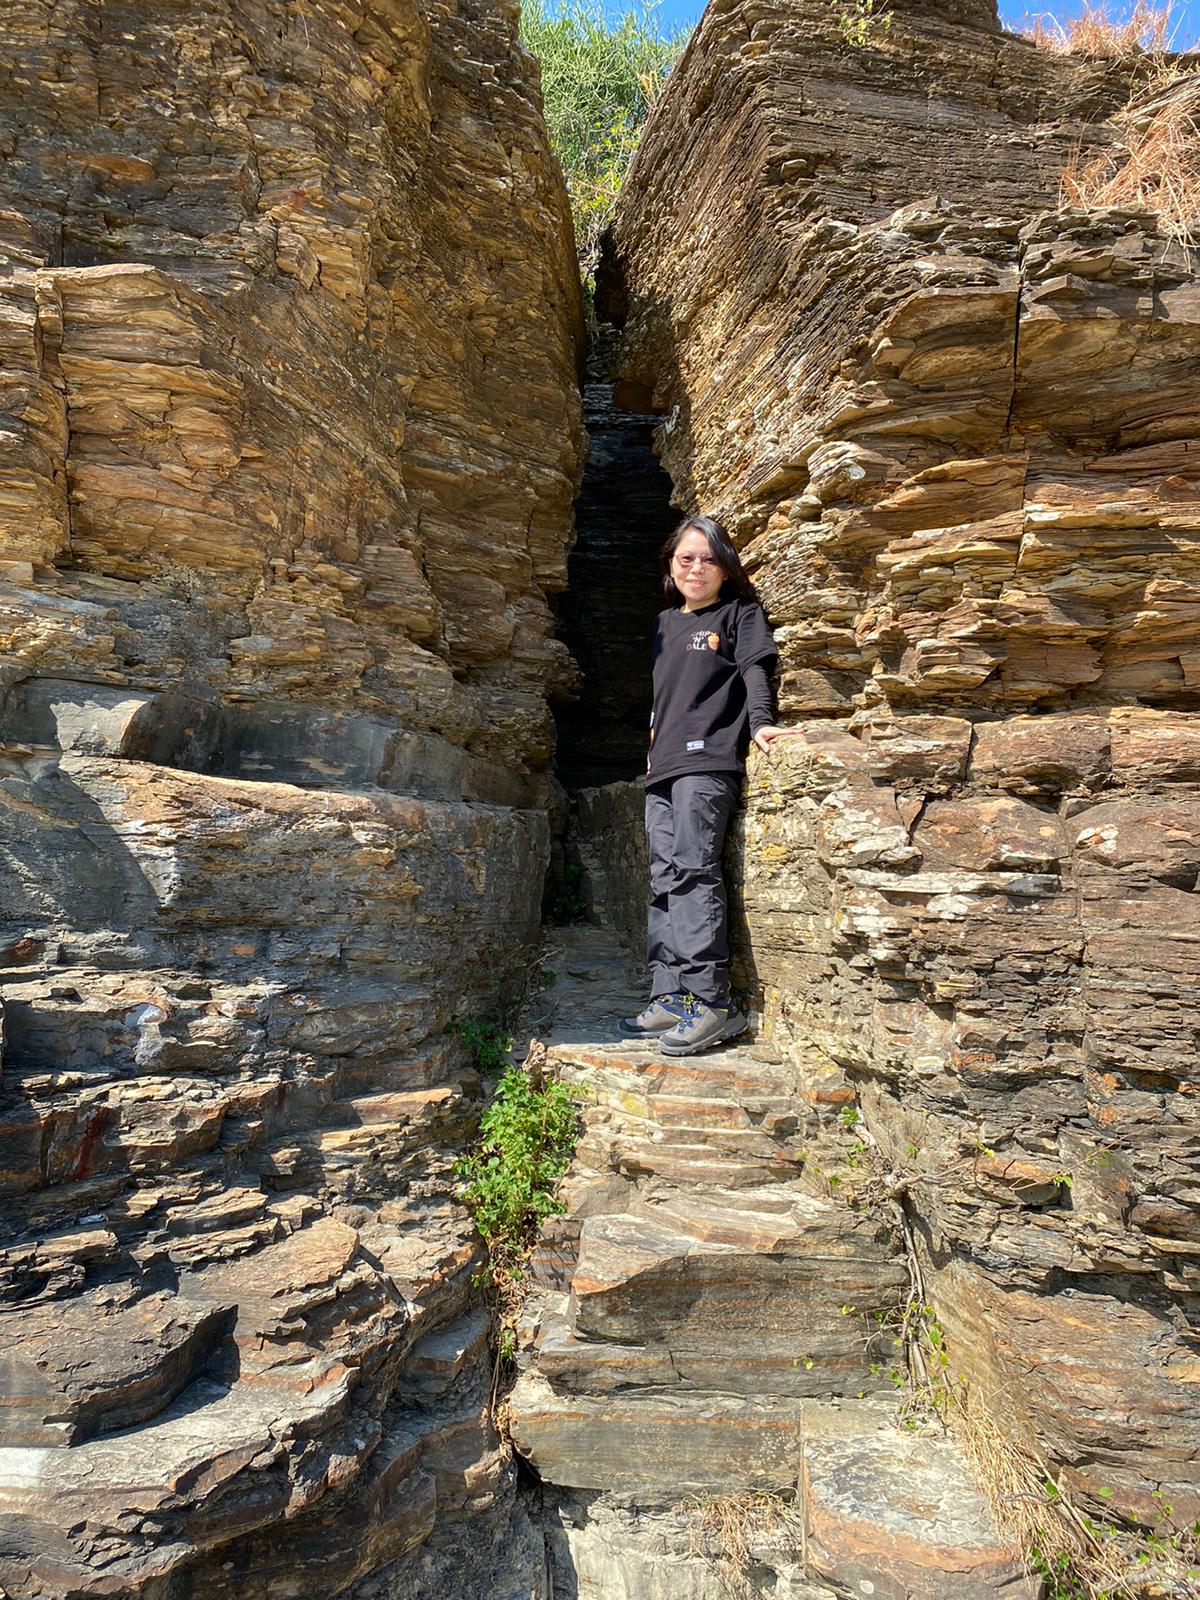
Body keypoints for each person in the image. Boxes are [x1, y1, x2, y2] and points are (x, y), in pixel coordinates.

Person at [620, 514, 792, 1055]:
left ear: (725, 568)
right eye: (686, 558)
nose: (696, 568)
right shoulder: (664, 624)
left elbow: (755, 671)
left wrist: (761, 724)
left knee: (694, 872)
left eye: (709, 559)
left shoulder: (738, 613)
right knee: (663, 878)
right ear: (671, 565)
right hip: (662, 767)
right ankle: (669, 993)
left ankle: (712, 1003)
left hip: (706, 762)